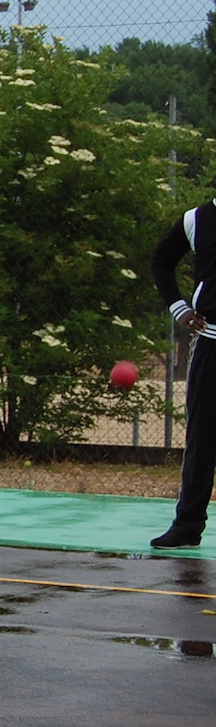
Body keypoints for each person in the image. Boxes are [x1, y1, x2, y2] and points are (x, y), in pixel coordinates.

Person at [149, 200, 216, 549]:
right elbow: (162, 261)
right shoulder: (197, 219)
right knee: (202, 439)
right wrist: (179, 308)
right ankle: (188, 526)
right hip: (211, 343)